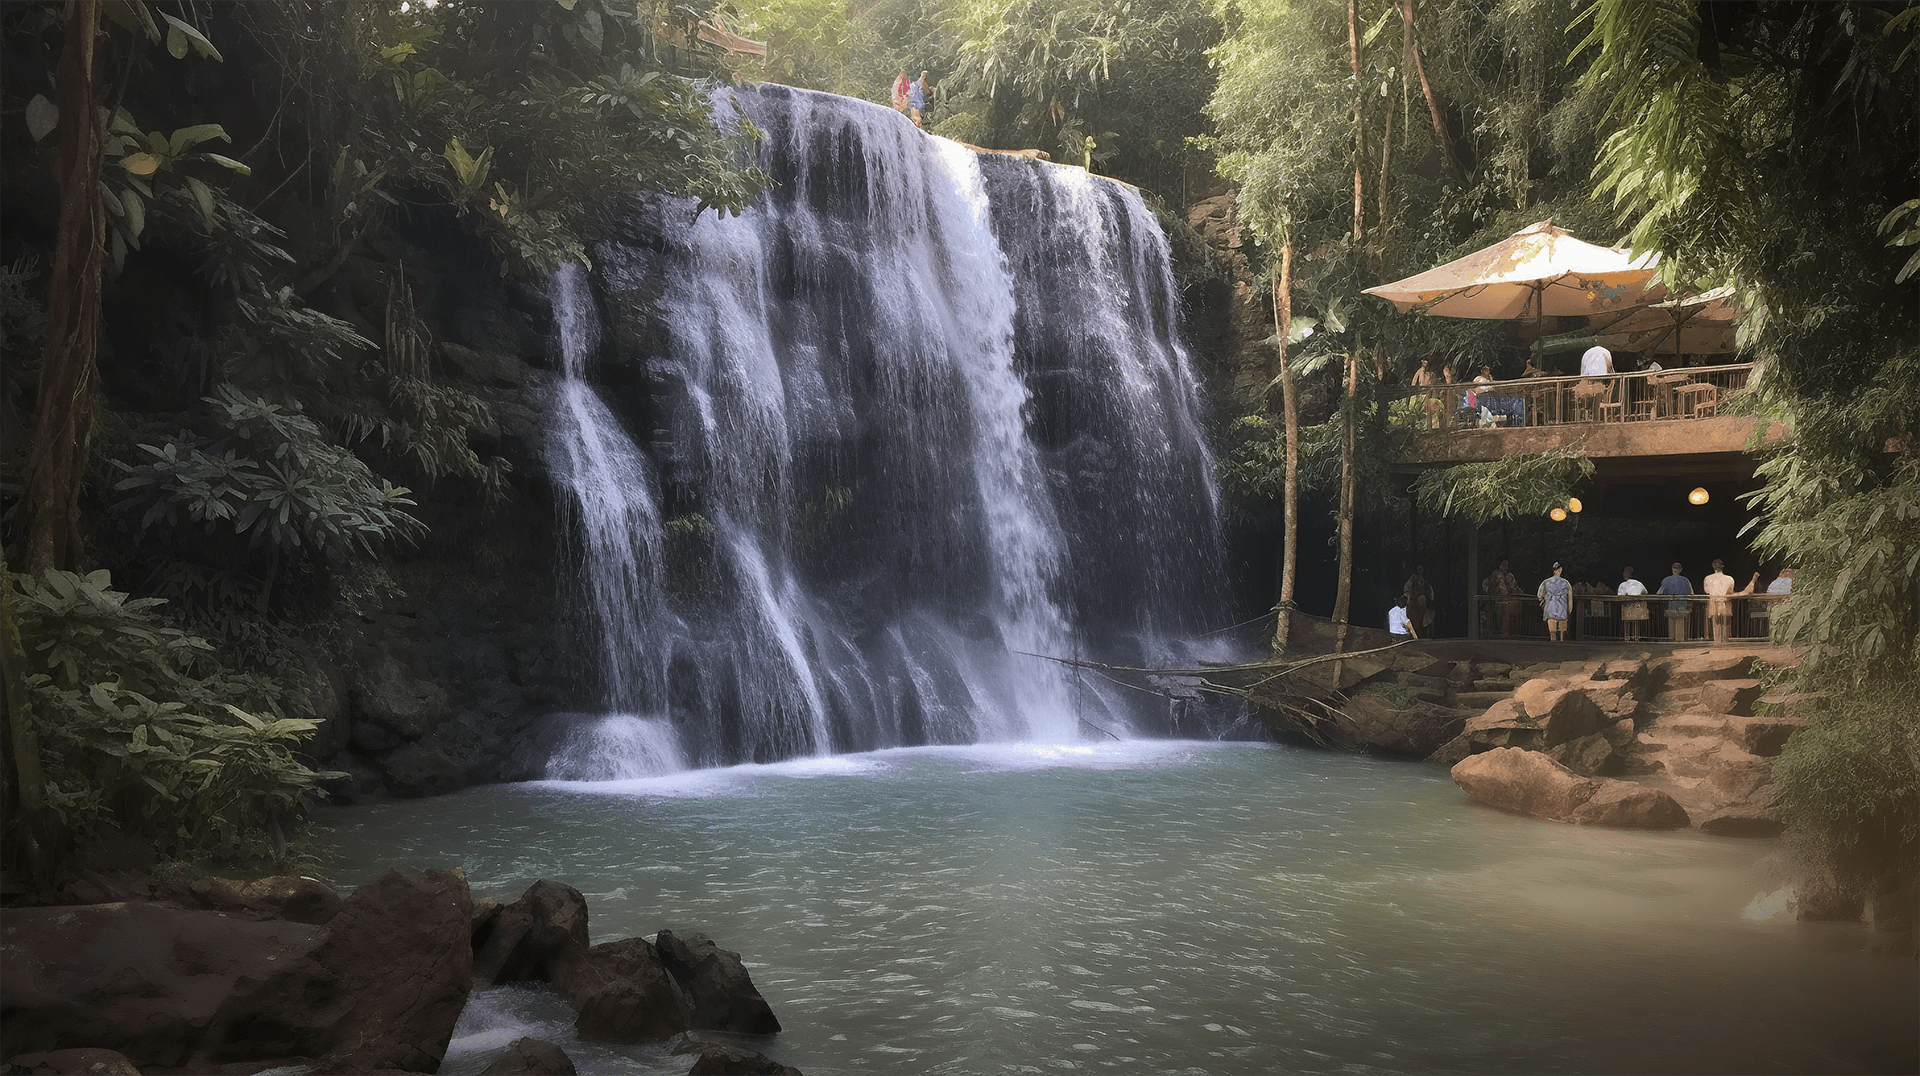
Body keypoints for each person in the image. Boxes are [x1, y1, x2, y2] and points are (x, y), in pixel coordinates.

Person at [1702, 558, 1760, 644]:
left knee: (1716, 624)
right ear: (1722, 567)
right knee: (1725, 625)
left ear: (1713, 567)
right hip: (1725, 603)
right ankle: (1725, 641)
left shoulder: (1707, 578)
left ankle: (1717, 642)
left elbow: (1707, 591)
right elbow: (1730, 591)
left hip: (1714, 603)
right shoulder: (1729, 578)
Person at [1483, 556, 1520, 637]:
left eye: (1506, 565)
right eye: (1503, 565)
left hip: (1506, 602)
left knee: (1506, 616)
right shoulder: (1494, 575)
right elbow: (1489, 587)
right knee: (1494, 617)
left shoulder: (1510, 576)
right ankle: (1494, 633)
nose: (1504, 567)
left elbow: (1514, 588)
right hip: (1495, 601)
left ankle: (1505, 633)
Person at [1659, 562, 1692, 642]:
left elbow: (1659, 593)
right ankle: (1679, 641)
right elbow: (1691, 593)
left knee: (1671, 622)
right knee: (1680, 622)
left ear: (1672, 569)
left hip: (1671, 605)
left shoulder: (1666, 580)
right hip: (1682, 605)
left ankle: (1672, 640)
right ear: (1680, 570)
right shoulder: (1685, 580)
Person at [1538, 562, 1571, 641]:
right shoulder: (1566, 583)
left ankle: (1553, 639)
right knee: (1561, 623)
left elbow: (1540, 595)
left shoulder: (1546, 582)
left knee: (1552, 622)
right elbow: (1570, 598)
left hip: (1551, 605)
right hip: (1561, 605)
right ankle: (1561, 639)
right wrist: (1569, 609)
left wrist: (1543, 603)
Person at [1617, 566, 1650, 642]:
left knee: (1627, 622)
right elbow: (1645, 592)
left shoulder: (1622, 585)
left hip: (1627, 605)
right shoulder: (1639, 583)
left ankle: (1627, 637)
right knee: (1636, 622)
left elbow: (1620, 596)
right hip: (1637, 605)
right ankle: (1636, 637)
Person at [1403, 565, 1436, 637]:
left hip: (1422, 605)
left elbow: (1430, 594)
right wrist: (1412, 597)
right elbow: (1407, 589)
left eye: (1422, 568)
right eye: (1419, 568)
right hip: (1414, 604)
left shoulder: (1425, 581)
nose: (1420, 570)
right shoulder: (1413, 578)